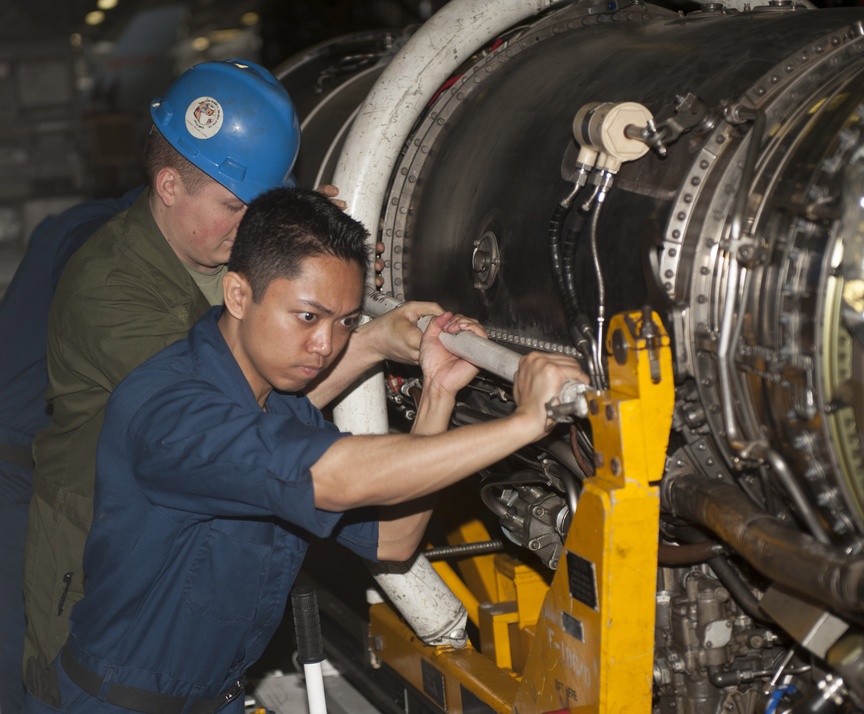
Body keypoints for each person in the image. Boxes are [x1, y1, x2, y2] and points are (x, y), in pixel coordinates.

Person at [22, 187, 586, 714]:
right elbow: (336, 477)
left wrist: (438, 392)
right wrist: (528, 421)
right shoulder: (170, 411)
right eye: (308, 316)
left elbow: (394, 538)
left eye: (344, 322)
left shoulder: (281, 402)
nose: (327, 345)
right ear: (238, 294)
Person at [22, 58, 425, 699]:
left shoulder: (212, 253)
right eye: (235, 206)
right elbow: (246, 423)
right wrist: (368, 341)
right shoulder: (110, 291)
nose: (248, 226)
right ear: (169, 186)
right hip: (104, 582)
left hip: (188, 577)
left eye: (260, 207)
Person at [0, 187, 143, 714]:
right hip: (12, 474)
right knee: (19, 676)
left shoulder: (73, 222)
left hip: (21, 463)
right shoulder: (102, 240)